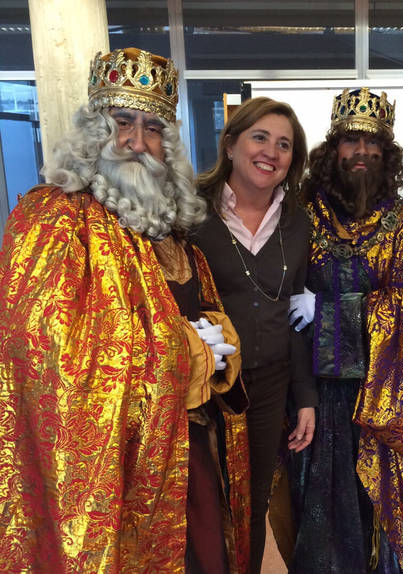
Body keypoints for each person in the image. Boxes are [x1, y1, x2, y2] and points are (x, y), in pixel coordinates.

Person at [0, 47, 250, 573]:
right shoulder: (53, 222)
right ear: (95, 130)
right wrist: (183, 351)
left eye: (153, 127)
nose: (137, 142)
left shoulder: (172, 232)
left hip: (190, 449)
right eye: (123, 122)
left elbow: (198, 315)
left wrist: (219, 346)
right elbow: (47, 355)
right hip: (117, 472)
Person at [288, 87, 403, 574]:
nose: (362, 153)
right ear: (333, 151)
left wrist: (333, 311)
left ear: (387, 154)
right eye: (351, 142)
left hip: (381, 398)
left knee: (382, 515)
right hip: (314, 391)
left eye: (373, 144)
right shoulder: (303, 213)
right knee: (316, 513)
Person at [195, 97, 317, 574]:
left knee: (253, 505)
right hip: (203, 389)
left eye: (284, 144)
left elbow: (298, 317)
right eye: (260, 137)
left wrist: (304, 396)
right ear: (230, 144)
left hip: (268, 389)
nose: (271, 151)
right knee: (203, 504)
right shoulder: (190, 214)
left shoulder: (299, 222)